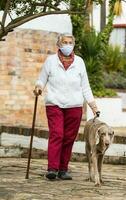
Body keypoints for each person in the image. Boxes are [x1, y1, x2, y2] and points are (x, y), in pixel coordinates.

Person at [34, 33, 99, 180]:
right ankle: (52, 168)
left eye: (70, 42)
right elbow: (41, 80)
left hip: (74, 105)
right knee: (57, 134)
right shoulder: (50, 61)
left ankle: (63, 169)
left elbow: (85, 87)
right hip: (54, 104)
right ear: (59, 44)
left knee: (69, 138)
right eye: (64, 42)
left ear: (73, 45)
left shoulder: (80, 62)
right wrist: (38, 87)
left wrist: (93, 106)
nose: (67, 45)